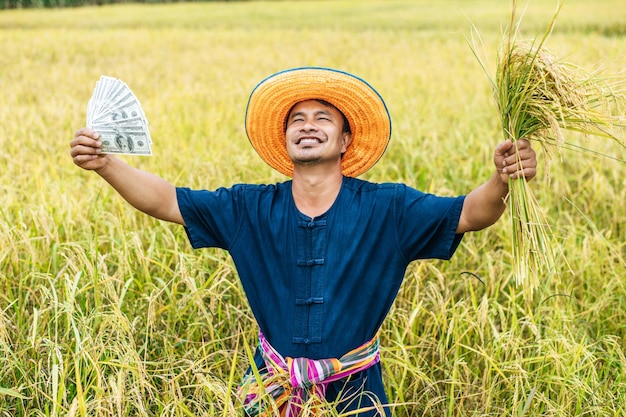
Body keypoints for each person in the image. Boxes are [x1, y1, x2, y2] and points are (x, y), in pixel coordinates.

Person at [70, 67, 537, 416]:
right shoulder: (248, 208)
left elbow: (472, 213)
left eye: (322, 118)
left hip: (359, 392)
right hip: (270, 386)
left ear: (345, 139)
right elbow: (167, 201)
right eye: (297, 119)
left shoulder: (389, 209)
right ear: (286, 136)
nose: (308, 125)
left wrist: (501, 177)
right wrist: (106, 164)